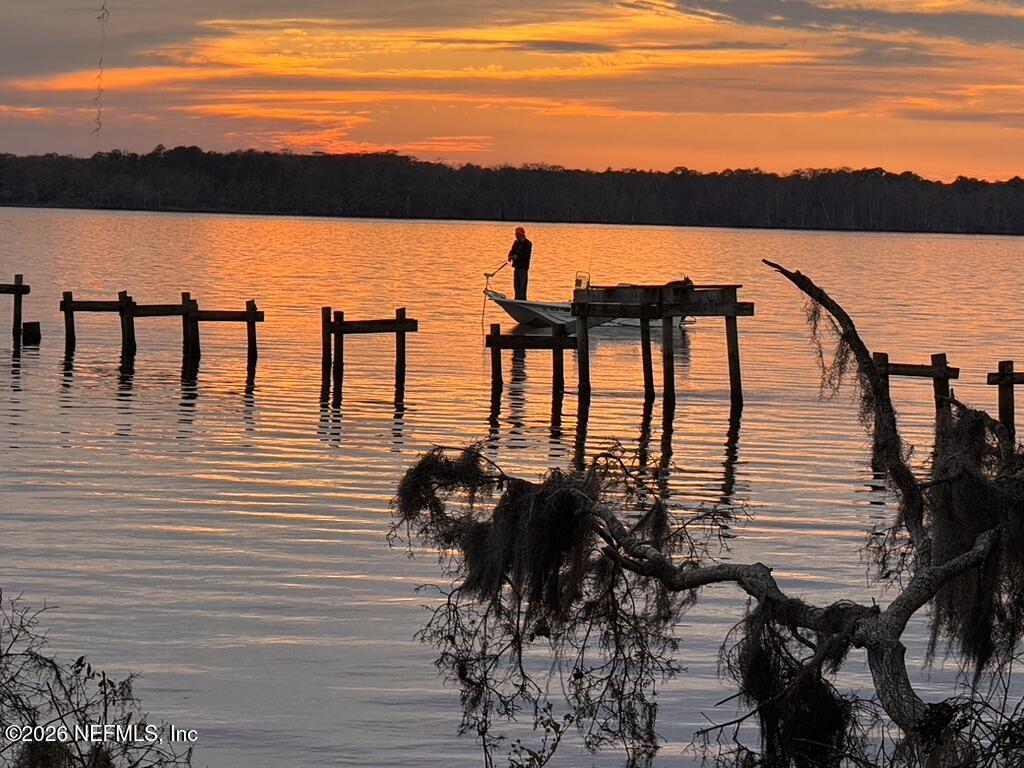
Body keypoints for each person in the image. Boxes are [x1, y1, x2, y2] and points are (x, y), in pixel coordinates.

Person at [507, 226, 532, 300]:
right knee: (516, 285)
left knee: (522, 285)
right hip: (516, 267)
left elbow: (525, 255)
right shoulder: (516, 242)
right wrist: (510, 256)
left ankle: (522, 299)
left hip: (523, 268)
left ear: (520, 234)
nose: (515, 235)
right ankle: (517, 298)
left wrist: (516, 256)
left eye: (516, 234)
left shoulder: (528, 243)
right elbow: (512, 250)